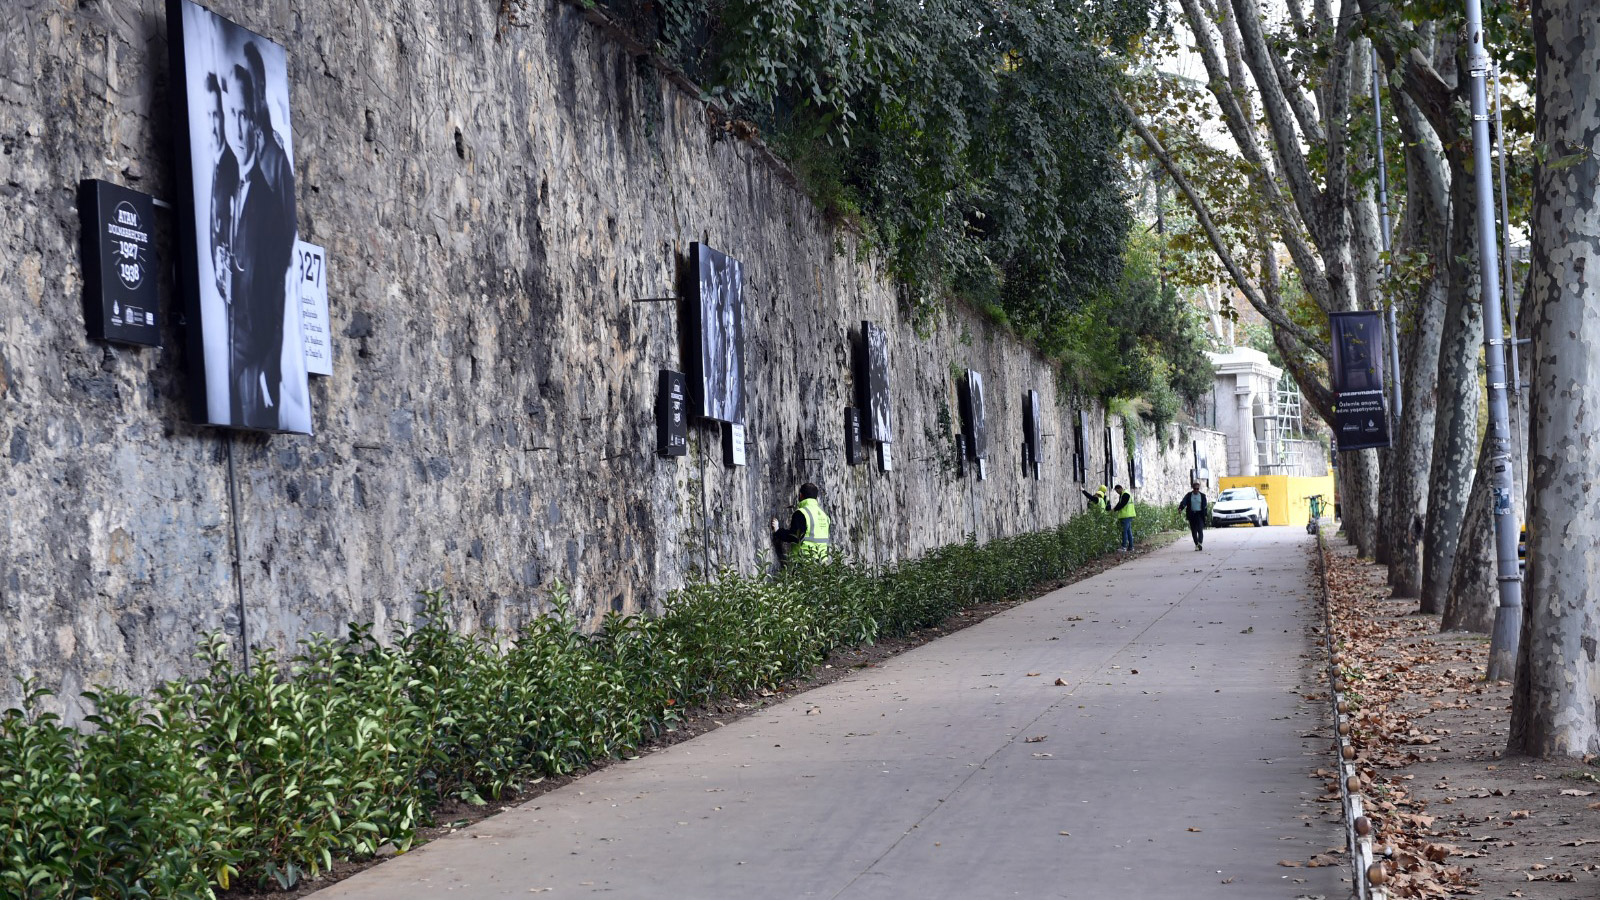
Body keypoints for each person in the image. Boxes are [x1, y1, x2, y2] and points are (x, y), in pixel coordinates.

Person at [219, 48, 297, 430]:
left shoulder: (272, 170)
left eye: (242, 114)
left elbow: (277, 280)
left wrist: (268, 367)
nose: (235, 126)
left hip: (254, 361)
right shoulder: (226, 177)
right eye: (229, 113)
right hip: (232, 357)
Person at [772, 482, 832, 564]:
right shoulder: (824, 515)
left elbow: (794, 537)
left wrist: (778, 531)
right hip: (821, 564)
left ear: (801, 495)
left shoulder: (802, 513)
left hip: (804, 562)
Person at [1177, 481, 1209, 550]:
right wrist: (1180, 508)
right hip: (1192, 514)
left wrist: (1205, 515)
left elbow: (1205, 506)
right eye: (1195, 489)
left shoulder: (1202, 496)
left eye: (1197, 489)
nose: (1196, 490)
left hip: (1200, 514)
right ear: (1193, 488)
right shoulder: (1189, 495)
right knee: (1194, 530)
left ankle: (1200, 543)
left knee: (1200, 529)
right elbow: (1184, 502)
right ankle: (1196, 544)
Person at [1111, 484, 1136, 551]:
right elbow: (1119, 503)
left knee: (1124, 531)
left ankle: (1124, 547)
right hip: (1128, 515)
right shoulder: (1123, 494)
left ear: (1120, 488)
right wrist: (1114, 508)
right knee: (1128, 531)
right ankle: (1131, 547)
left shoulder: (1125, 494)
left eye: (1117, 491)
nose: (1117, 492)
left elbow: (1122, 504)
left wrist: (1115, 509)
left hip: (1126, 515)